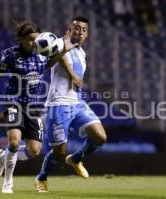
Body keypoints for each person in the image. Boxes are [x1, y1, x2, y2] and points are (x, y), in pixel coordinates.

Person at [0, 21, 81, 194]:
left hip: (33, 106)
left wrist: (64, 49)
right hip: (14, 103)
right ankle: (8, 183)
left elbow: (49, 64)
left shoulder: (41, 54)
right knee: (14, 142)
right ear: (20, 39)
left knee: (34, 150)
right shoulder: (10, 55)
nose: (33, 43)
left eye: (35, 39)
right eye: (29, 39)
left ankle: (2, 156)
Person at [34, 16, 107, 192]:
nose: (80, 32)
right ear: (69, 29)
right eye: (76, 28)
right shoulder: (58, 43)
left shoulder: (82, 52)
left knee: (100, 136)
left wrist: (76, 79)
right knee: (59, 152)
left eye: (84, 29)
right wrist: (72, 74)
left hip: (77, 103)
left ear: (87, 33)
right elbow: (48, 63)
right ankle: (41, 177)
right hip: (58, 104)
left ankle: (76, 159)